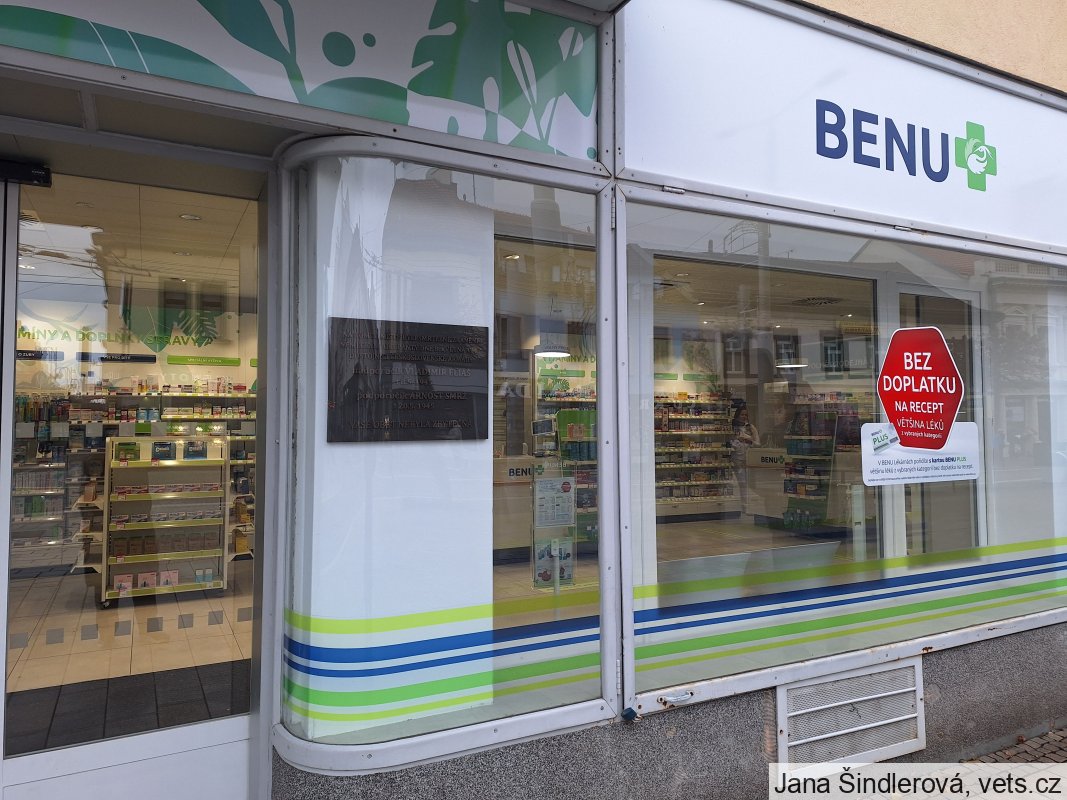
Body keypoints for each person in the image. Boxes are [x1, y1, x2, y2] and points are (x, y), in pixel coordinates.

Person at [731, 404, 761, 513]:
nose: (744, 417)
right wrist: (736, 441)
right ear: (737, 415)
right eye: (742, 414)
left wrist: (748, 440)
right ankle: (741, 505)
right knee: (739, 483)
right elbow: (729, 444)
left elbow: (758, 444)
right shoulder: (732, 428)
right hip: (736, 460)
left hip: (748, 460)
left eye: (746, 415)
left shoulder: (751, 428)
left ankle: (747, 506)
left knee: (747, 484)